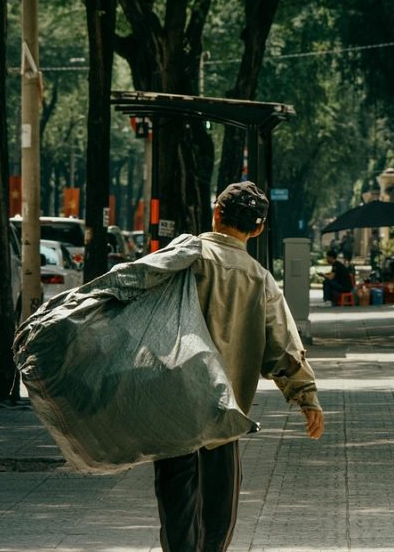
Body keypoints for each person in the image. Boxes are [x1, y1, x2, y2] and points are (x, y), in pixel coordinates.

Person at [153, 181, 325, 552]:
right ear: (259, 228)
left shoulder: (184, 255)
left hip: (174, 410)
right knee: (219, 509)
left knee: (177, 505)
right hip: (223, 414)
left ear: (215, 213)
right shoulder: (258, 279)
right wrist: (306, 397)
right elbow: (283, 345)